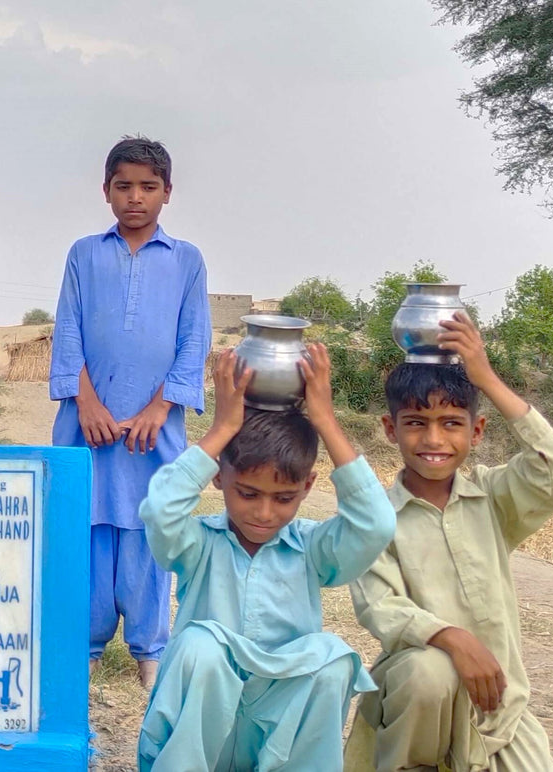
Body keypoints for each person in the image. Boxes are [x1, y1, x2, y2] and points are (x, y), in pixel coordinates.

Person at [137, 346, 396, 771]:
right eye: (248, 493)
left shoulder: (313, 549)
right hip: (201, 743)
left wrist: (325, 421)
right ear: (219, 477)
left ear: (308, 487)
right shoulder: (197, 544)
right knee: (202, 646)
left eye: (284, 498)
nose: (263, 513)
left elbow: (376, 524)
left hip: (274, 733)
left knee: (331, 658)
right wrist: (223, 428)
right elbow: (160, 507)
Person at [345, 311, 553, 772]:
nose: (434, 439)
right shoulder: (376, 517)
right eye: (415, 422)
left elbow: (551, 460)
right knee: (429, 670)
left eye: (451, 422)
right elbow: (380, 607)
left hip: (496, 708)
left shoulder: (492, 498)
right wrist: (453, 639)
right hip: (417, 707)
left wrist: (484, 376)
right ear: (391, 430)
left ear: (477, 430)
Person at [49, 136, 211, 687]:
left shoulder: (186, 260)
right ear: (106, 191)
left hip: (153, 431)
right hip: (86, 426)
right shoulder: (84, 253)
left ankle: (149, 658)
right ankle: (82, 655)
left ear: (168, 192)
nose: (135, 197)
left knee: (150, 529)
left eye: (148, 186)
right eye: (124, 186)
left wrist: (159, 409)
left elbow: (194, 340)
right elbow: (68, 329)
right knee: (85, 525)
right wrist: (86, 401)